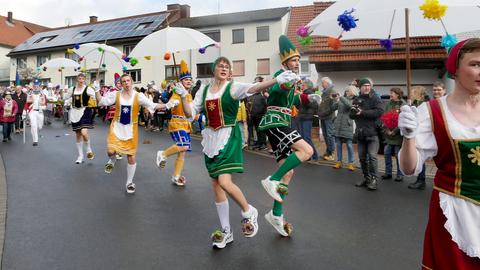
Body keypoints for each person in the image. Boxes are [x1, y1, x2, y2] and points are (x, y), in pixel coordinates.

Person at [177, 56, 299, 248]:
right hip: (210, 139)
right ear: (214, 70)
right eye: (220, 66)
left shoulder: (233, 87)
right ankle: (226, 231)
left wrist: (277, 79)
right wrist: (184, 96)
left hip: (228, 138)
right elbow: (190, 114)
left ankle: (248, 211)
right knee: (216, 184)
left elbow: (254, 87)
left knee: (225, 182)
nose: (224, 68)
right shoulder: (204, 90)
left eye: (227, 66)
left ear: (230, 72)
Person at [398, 38, 480, 270]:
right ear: (454, 68)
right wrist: (408, 137)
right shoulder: (432, 111)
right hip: (454, 212)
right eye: (475, 64)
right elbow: (408, 168)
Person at [258, 35, 321, 237]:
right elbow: (278, 87)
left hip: (283, 121)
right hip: (275, 121)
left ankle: (276, 214)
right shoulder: (281, 74)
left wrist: (307, 97)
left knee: (289, 173)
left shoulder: (292, 79)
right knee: (307, 150)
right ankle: (271, 179)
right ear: (285, 62)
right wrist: (284, 82)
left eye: (297, 60)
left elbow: (292, 97)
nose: (296, 63)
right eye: (294, 60)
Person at [96, 74, 168, 194]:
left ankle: (129, 182)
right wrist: (97, 90)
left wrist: (168, 105)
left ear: (132, 82)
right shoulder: (116, 94)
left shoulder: (138, 96)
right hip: (117, 127)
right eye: (124, 81)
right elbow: (101, 102)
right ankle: (112, 160)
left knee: (131, 156)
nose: (126, 83)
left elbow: (153, 105)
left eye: (128, 80)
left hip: (130, 129)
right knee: (110, 151)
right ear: (121, 83)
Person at [155, 60, 194, 186]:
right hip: (177, 123)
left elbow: (191, 111)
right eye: (186, 79)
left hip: (186, 125)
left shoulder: (189, 96)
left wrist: (199, 117)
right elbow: (172, 103)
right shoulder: (177, 93)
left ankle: (176, 176)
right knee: (183, 146)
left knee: (182, 153)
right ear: (181, 82)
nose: (189, 81)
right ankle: (163, 154)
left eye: (190, 79)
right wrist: (174, 103)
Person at [350, 78, 384, 190]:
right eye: (364, 85)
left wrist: (363, 112)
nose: (367, 87)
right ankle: (367, 178)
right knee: (362, 158)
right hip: (361, 134)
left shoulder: (375, 98)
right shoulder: (357, 99)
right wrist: (353, 111)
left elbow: (379, 112)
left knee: (372, 157)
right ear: (360, 87)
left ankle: (374, 179)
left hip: (373, 133)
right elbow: (352, 116)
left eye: (368, 85)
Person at [63, 73, 97, 164]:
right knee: (78, 134)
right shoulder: (72, 89)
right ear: (77, 80)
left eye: (82, 78)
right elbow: (65, 97)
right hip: (74, 112)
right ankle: (80, 156)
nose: (81, 80)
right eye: (79, 78)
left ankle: (88, 149)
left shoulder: (88, 89)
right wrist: (64, 92)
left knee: (84, 132)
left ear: (84, 80)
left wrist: (96, 89)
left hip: (85, 111)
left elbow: (95, 99)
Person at [381, 87, 406, 182]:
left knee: (397, 155)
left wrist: (394, 131)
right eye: (390, 92)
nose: (390, 94)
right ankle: (388, 173)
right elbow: (384, 117)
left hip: (398, 135)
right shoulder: (388, 104)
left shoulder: (403, 105)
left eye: (392, 93)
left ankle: (400, 174)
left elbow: (403, 120)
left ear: (398, 94)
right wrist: (387, 130)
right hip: (388, 134)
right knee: (387, 153)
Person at [407, 85, 429, 190]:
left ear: (418, 93)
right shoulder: (416, 103)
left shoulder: (424, 104)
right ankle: (420, 180)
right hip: (417, 133)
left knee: (421, 157)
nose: (411, 94)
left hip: (422, 133)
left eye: (413, 92)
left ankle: (421, 180)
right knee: (420, 158)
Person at [332, 85, 358, 170]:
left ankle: (350, 163)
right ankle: (339, 161)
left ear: (352, 91)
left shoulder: (355, 100)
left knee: (349, 145)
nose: (346, 92)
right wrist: (334, 100)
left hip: (347, 125)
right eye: (346, 90)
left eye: (348, 91)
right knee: (338, 144)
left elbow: (349, 106)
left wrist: (341, 98)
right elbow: (333, 108)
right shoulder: (342, 99)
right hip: (338, 124)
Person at [297, 79, 319, 161]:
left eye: (303, 85)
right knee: (303, 138)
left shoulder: (310, 93)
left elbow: (314, 105)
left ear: (306, 86)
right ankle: (308, 156)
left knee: (307, 137)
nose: (301, 86)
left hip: (307, 118)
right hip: (302, 117)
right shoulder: (304, 93)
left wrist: (304, 98)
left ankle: (315, 156)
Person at [317, 77, 337, 161]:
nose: (322, 84)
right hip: (322, 117)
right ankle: (328, 152)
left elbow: (334, 106)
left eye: (323, 83)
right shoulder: (324, 92)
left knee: (329, 135)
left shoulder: (332, 91)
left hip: (329, 117)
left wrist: (324, 112)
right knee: (325, 135)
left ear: (327, 83)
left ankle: (332, 153)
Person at [25, 80, 47, 146]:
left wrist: (40, 101)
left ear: (39, 86)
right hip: (32, 111)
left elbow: (44, 102)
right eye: (35, 86)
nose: (36, 87)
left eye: (37, 86)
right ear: (33, 86)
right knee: (33, 126)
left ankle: (39, 128)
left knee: (40, 126)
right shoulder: (30, 93)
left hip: (40, 111)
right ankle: (35, 140)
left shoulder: (42, 93)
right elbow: (27, 101)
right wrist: (34, 100)